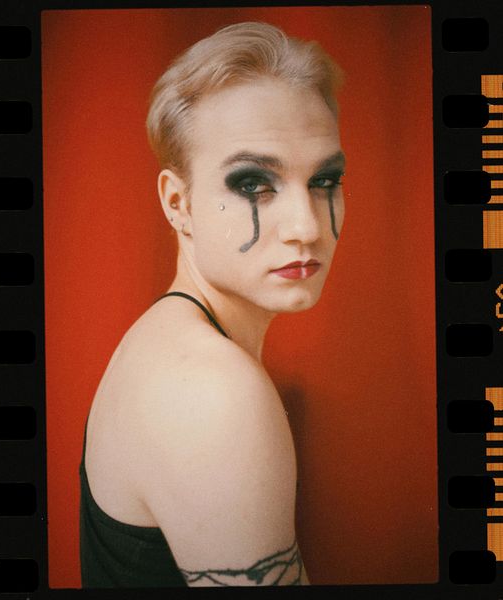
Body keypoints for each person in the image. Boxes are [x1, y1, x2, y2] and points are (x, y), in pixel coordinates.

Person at [79, 20, 346, 587]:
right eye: (254, 184)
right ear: (178, 203)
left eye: (325, 180)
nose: (307, 227)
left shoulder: (170, 336)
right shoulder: (212, 391)